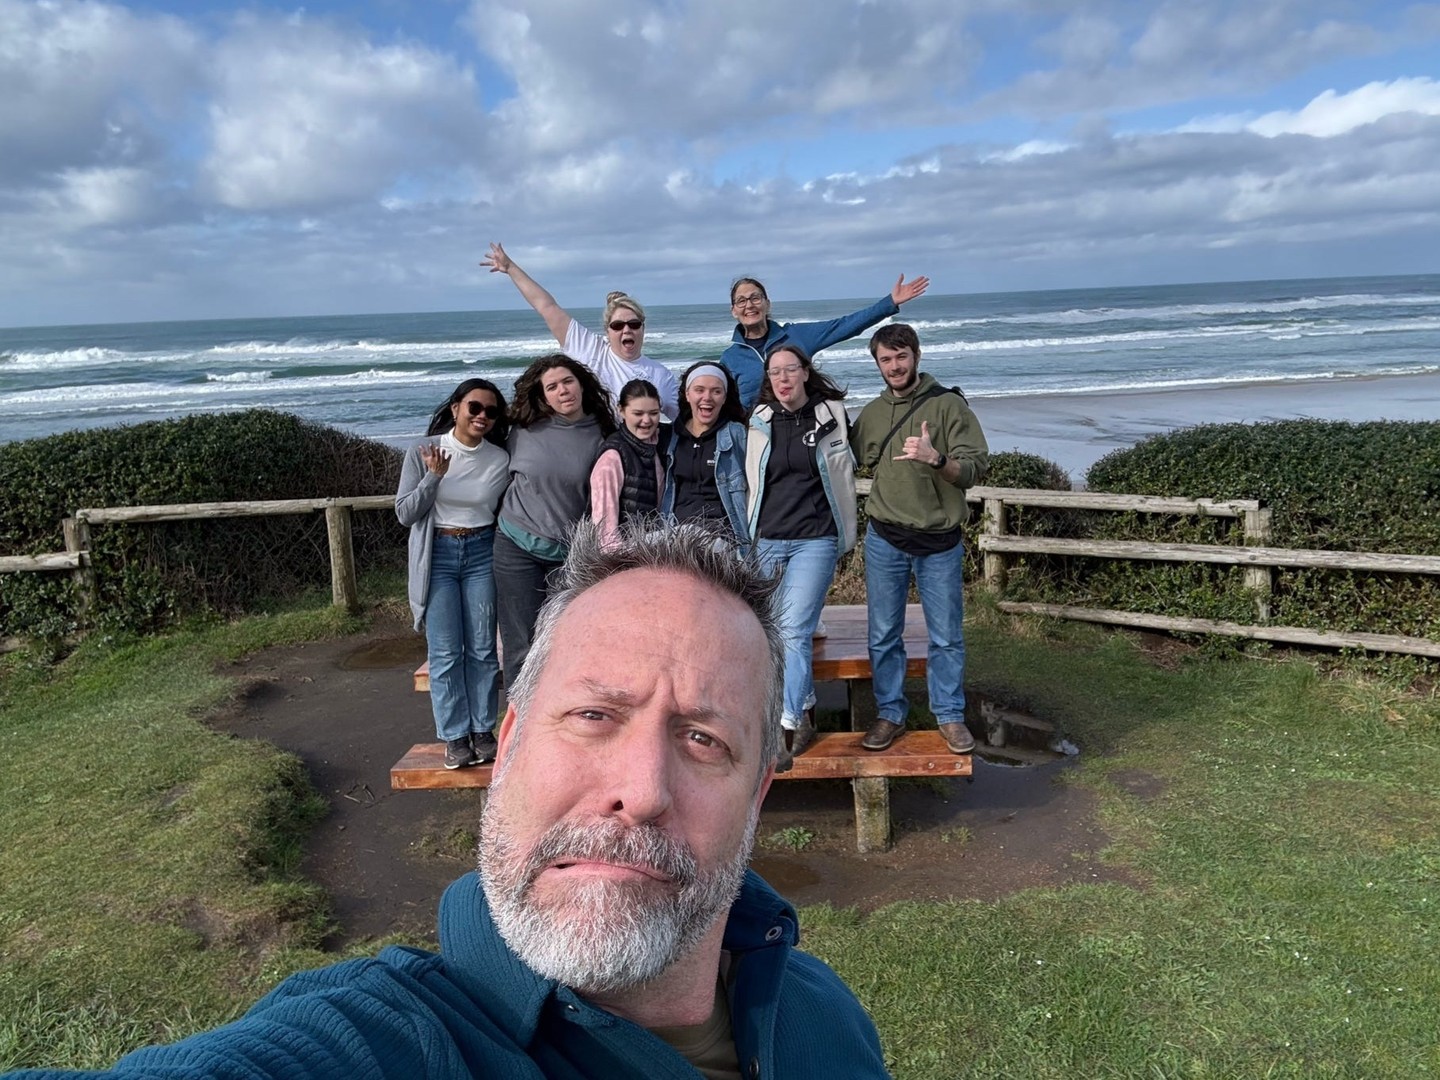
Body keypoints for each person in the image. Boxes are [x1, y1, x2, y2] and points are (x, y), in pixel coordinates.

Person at [7, 521, 890, 1079]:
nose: (640, 791)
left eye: (702, 739)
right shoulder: (393, 1042)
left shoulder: (823, 1017)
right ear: (508, 746)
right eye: (592, 715)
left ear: (758, 792)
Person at [850, 323, 989, 754]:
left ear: (916, 356)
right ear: (877, 364)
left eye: (901, 356)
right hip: (885, 538)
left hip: (939, 542)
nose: (894, 366)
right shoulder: (872, 413)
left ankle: (949, 715)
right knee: (883, 635)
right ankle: (890, 713)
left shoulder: (949, 406)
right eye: (885, 359)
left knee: (946, 636)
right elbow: (847, 457)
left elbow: (974, 469)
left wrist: (937, 459)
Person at [744, 344, 857, 770]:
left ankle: (785, 727)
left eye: (790, 370)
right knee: (773, 631)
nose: (783, 379)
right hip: (769, 539)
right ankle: (806, 704)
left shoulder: (832, 415)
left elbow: (859, 458)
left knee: (793, 630)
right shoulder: (759, 420)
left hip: (816, 538)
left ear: (806, 372)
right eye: (775, 373)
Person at [395, 379, 511, 770]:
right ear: (456, 408)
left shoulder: (500, 458)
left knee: (482, 649)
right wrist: (434, 476)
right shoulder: (424, 451)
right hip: (439, 554)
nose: (482, 416)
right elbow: (406, 513)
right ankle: (455, 737)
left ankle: (482, 730)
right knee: (445, 652)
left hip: (481, 552)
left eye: (491, 411)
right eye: (475, 407)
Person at [496, 354, 615, 684]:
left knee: (563, 642)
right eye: (552, 387)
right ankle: (519, 715)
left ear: (581, 384)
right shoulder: (522, 429)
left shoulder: (604, 433)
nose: (562, 391)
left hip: (568, 555)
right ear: (543, 395)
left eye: (567, 381)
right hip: (515, 547)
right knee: (521, 646)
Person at [482, 242, 680, 420]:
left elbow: (683, 421)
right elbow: (547, 307)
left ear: (643, 328)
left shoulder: (660, 375)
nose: (626, 330)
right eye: (618, 325)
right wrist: (510, 268)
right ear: (607, 331)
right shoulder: (590, 348)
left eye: (634, 324)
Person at [721, 272, 930, 411]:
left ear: (767, 304)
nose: (749, 305)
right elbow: (725, 405)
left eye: (755, 298)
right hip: (758, 440)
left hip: (803, 431)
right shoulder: (730, 359)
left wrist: (889, 303)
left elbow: (844, 326)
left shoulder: (796, 336)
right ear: (733, 311)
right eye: (741, 301)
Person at [660, 361, 749, 541]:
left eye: (716, 391)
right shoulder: (669, 436)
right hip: (675, 533)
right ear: (687, 394)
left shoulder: (737, 434)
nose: (707, 397)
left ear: (724, 397)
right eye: (699, 390)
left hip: (722, 536)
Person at [590, 378, 666, 547]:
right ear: (621, 411)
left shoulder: (659, 444)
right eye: (638, 414)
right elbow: (605, 531)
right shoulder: (612, 457)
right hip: (625, 551)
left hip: (651, 547)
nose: (647, 420)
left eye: (654, 413)